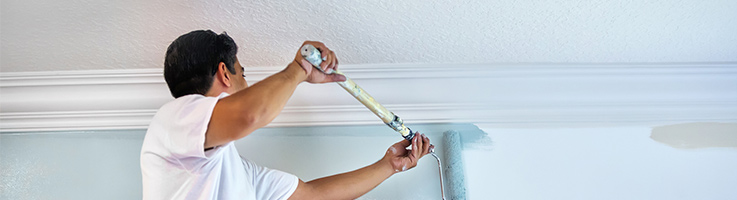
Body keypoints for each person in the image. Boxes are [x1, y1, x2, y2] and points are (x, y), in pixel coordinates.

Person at [140, 30, 433, 200]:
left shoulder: (233, 171)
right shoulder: (171, 120)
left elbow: (312, 195)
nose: (246, 83)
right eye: (242, 74)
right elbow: (250, 114)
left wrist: (389, 165)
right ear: (224, 73)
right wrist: (299, 70)